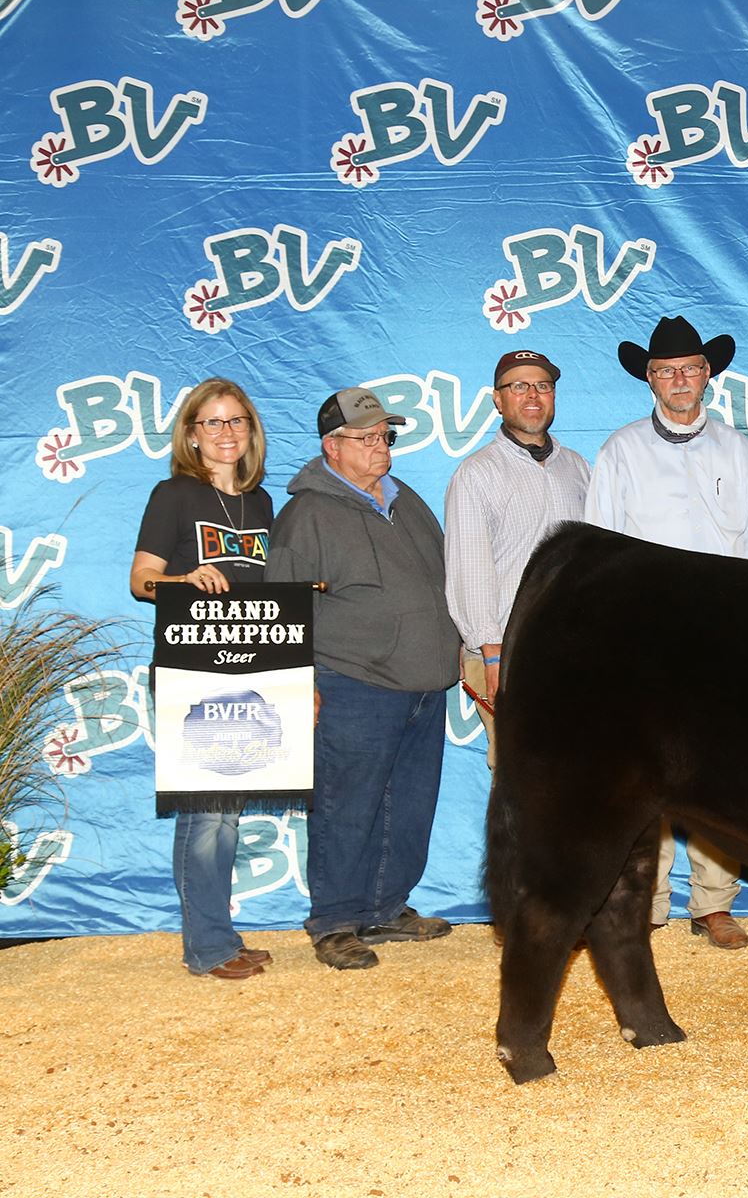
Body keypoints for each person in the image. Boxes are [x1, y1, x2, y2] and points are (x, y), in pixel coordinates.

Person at [587, 314, 748, 950]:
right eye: (666, 371)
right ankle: (648, 898)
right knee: (644, 774)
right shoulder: (621, 452)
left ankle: (715, 904)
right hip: (646, 643)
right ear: (650, 379)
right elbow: (600, 552)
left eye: (690, 370)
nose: (679, 380)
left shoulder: (739, 451)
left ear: (708, 377)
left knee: (721, 774)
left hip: (724, 641)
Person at [267, 387, 462, 970]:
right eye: (367, 437)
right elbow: (281, 606)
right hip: (351, 680)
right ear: (333, 445)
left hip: (423, 683)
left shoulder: (409, 502)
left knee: (408, 804)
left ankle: (385, 906)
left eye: (385, 436)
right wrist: (298, 684)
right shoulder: (307, 514)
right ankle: (334, 921)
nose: (381, 446)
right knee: (345, 804)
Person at [129, 377, 277, 980]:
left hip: (252, 669)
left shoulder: (262, 504)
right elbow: (140, 580)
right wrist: (184, 581)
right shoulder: (174, 495)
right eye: (212, 422)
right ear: (191, 433)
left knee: (226, 814)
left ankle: (220, 933)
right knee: (206, 815)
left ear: (250, 431)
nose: (225, 433)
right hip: (193, 670)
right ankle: (207, 947)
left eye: (235, 421)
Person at [445, 350, 590, 767]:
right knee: (523, 783)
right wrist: (493, 654)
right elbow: (469, 569)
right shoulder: (477, 473)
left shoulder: (577, 467)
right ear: (498, 399)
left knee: (579, 778)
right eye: (519, 386)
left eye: (543, 386)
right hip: (510, 651)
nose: (532, 395)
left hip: (572, 651)